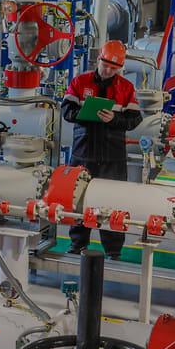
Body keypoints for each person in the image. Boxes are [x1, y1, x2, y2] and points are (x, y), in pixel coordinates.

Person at [61, 40, 143, 260]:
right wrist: (85, 115)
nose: (108, 71)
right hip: (83, 153)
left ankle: (113, 250)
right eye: (105, 65)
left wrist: (114, 119)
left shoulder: (126, 88)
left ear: (120, 68)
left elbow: (134, 119)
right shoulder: (80, 82)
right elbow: (66, 110)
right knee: (79, 200)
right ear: (98, 60)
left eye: (113, 68)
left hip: (112, 157)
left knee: (113, 202)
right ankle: (77, 244)